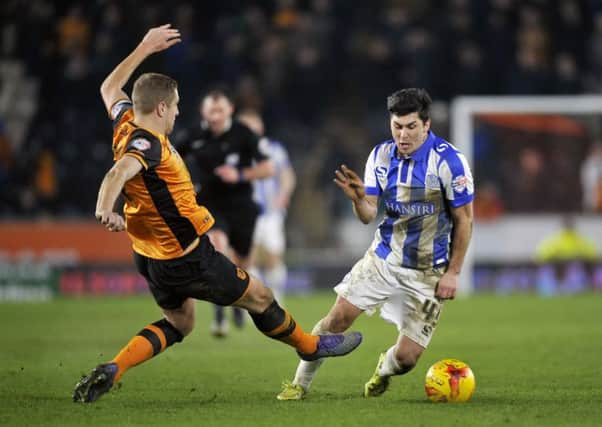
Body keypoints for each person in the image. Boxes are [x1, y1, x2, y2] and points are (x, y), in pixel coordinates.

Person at [72, 24, 362, 404]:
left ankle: (115, 367)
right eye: (175, 105)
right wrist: (102, 207)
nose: (177, 112)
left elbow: (109, 88)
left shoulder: (125, 123)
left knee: (181, 323)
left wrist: (144, 47)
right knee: (260, 296)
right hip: (187, 257)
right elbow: (118, 171)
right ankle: (310, 346)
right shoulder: (147, 145)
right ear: (161, 107)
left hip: (148, 255)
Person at [277, 88, 474, 400]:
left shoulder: (450, 163)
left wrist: (454, 273)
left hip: (428, 272)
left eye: (411, 127)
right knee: (336, 319)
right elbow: (369, 214)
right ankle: (299, 384)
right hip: (383, 260)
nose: (403, 135)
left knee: (407, 360)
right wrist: (358, 200)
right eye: (397, 126)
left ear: (426, 125)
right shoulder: (381, 156)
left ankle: (383, 369)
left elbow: (464, 219)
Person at [175, 88, 273, 338]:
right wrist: (185, 182)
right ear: (203, 112)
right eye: (211, 111)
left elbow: (267, 168)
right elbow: (171, 158)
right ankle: (220, 317)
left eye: (220, 110)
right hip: (209, 205)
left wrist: (239, 175)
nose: (215, 115)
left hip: (241, 205)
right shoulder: (193, 135)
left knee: (243, 261)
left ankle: (239, 305)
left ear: (230, 110)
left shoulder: (244, 134)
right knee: (218, 249)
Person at [238, 110, 296, 304]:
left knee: (273, 257)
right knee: (248, 259)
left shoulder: (274, 149)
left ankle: (277, 301)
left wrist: (283, 195)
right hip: (246, 214)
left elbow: (287, 175)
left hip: (271, 213)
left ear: (260, 128)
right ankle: (253, 303)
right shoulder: (235, 152)